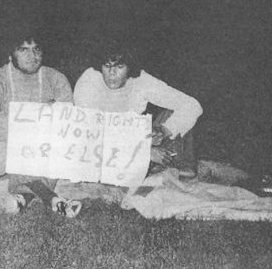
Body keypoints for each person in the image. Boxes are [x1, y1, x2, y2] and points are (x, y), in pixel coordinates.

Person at [0, 29, 82, 218]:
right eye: (24, 49)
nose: (32, 56)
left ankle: (17, 200)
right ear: (10, 54)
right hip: (2, 150)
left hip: (42, 149)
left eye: (37, 49)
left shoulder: (56, 78)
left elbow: (66, 117)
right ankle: (49, 198)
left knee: (58, 151)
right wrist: (28, 130)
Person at [73, 39, 203, 178]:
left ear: (130, 68)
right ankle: (151, 166)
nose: (112, 73)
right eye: (107, 66)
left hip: (132, 137)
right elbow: (90, 134)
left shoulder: (142, 81)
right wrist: (144, 151)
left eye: (119, 66)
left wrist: (163, 131)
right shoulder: (89, 81)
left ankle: (176, 165)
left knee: (174, 113)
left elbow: (192, 105)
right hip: (99, 149)